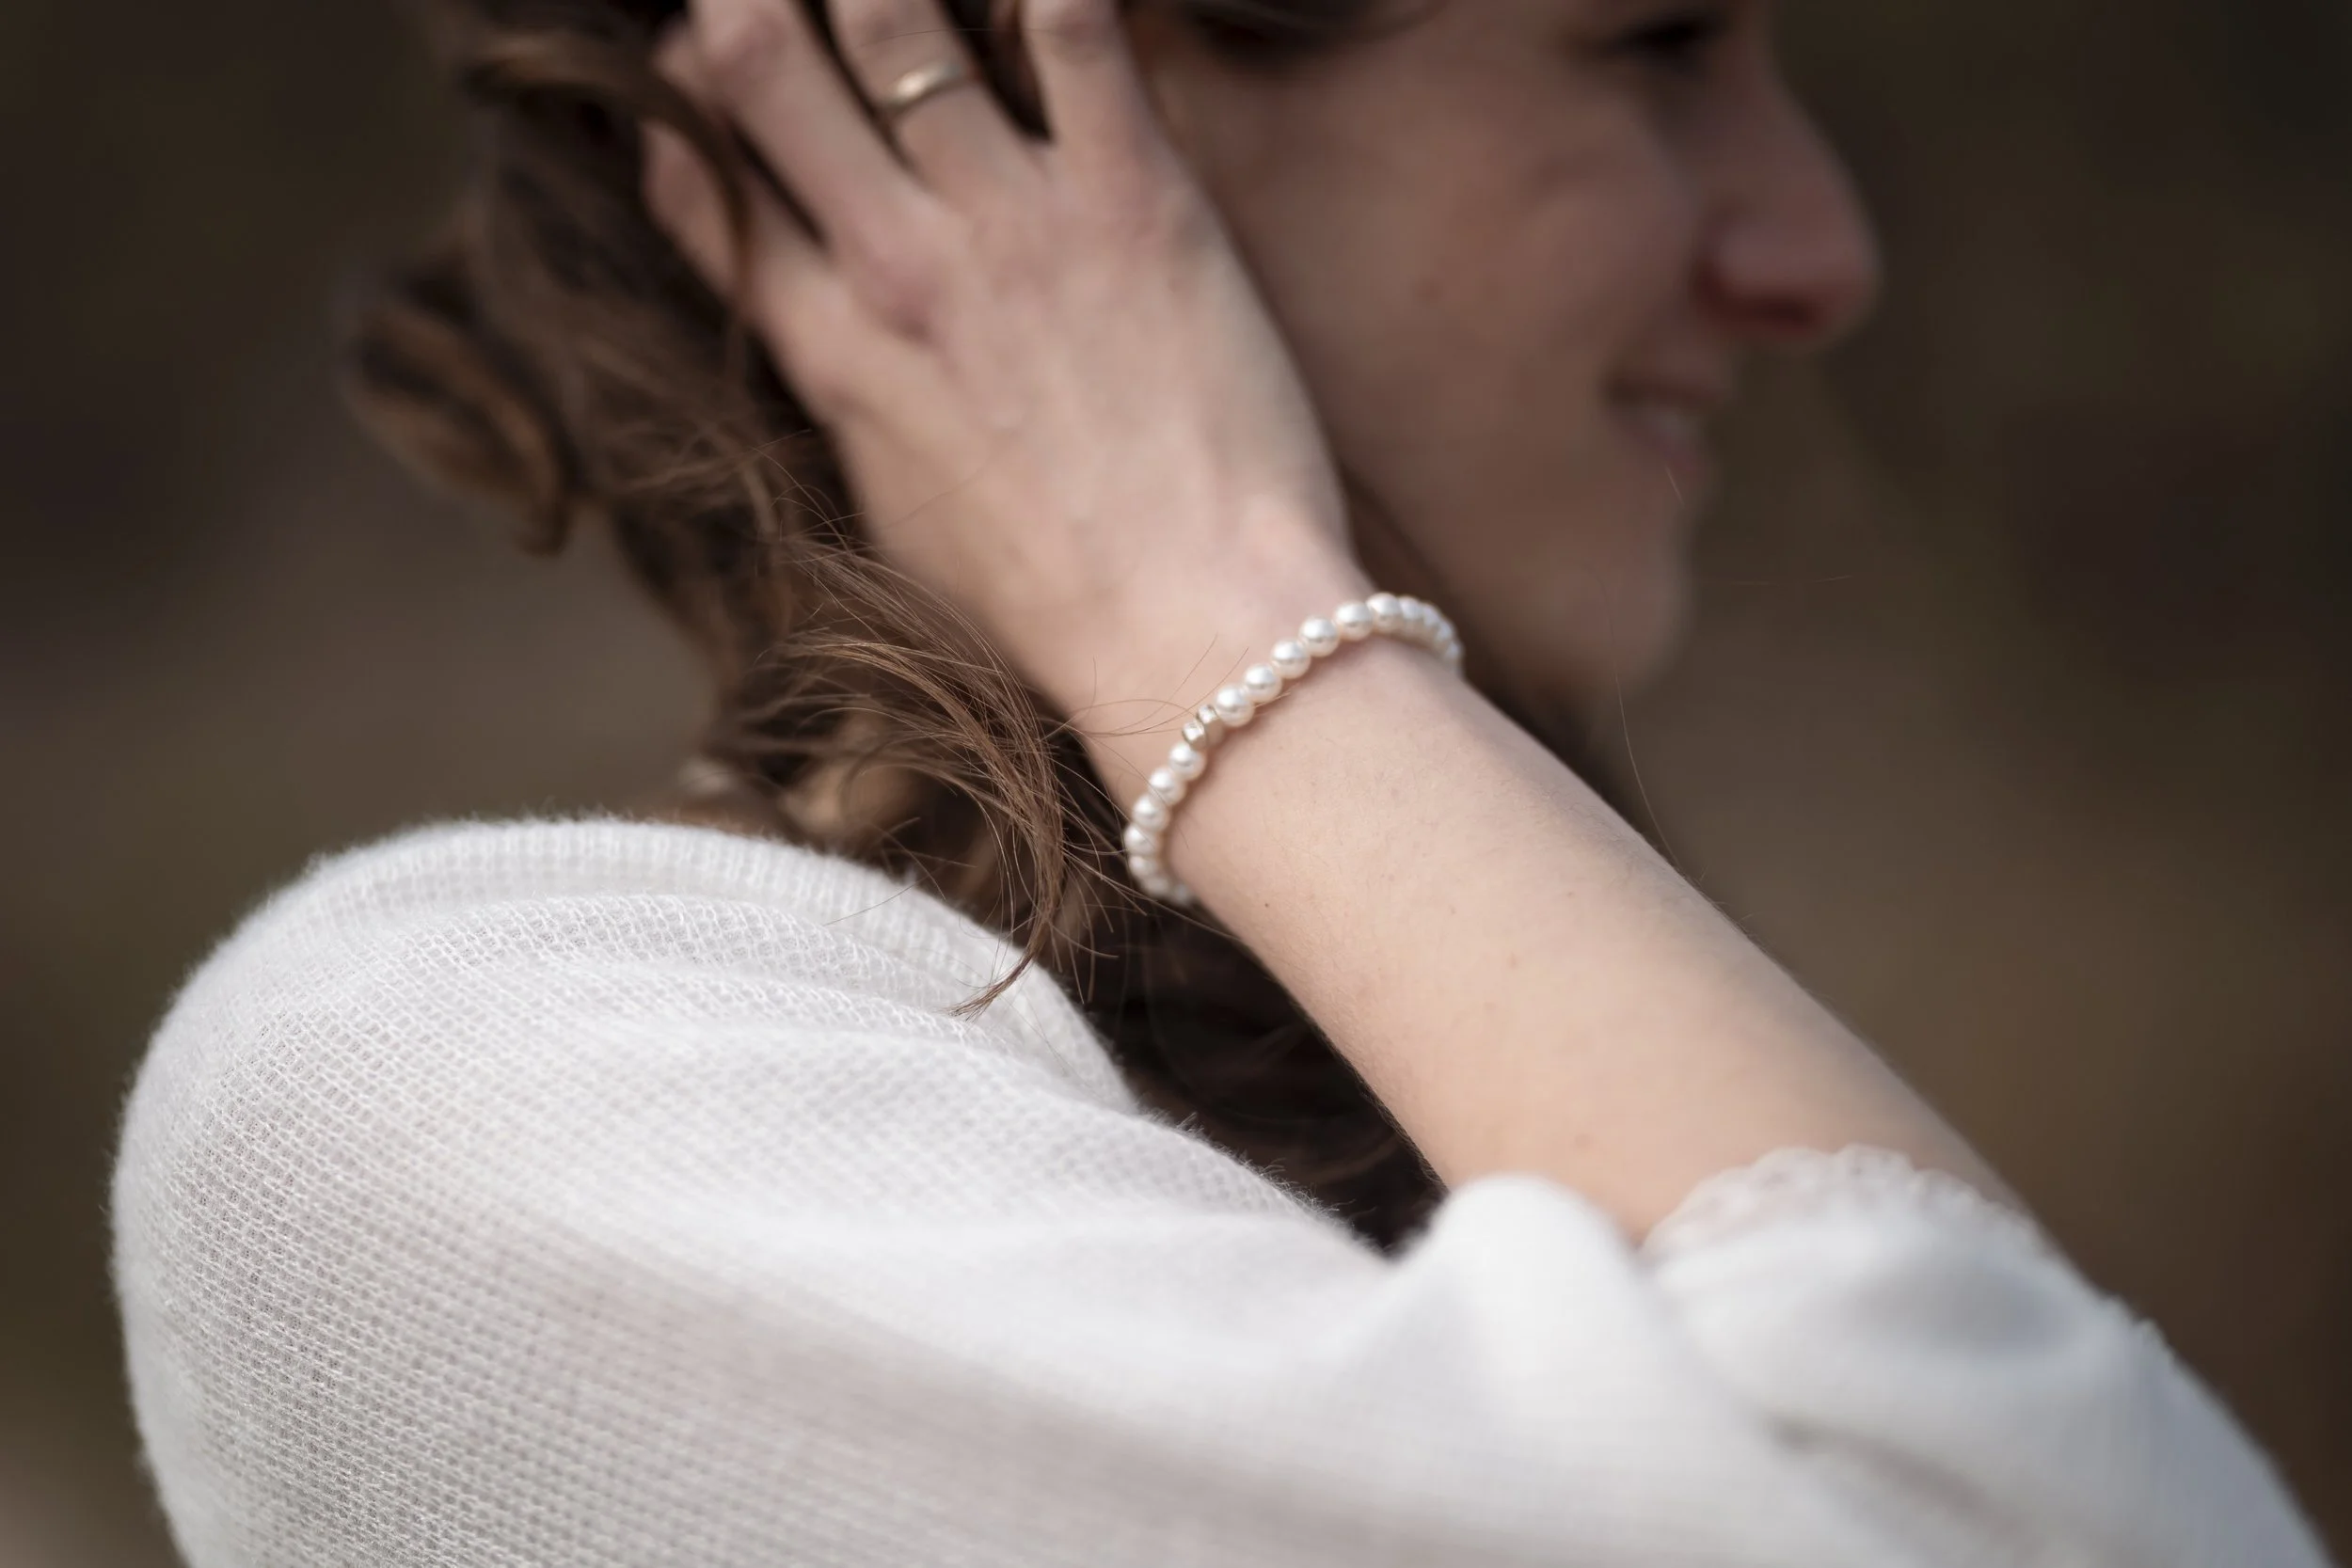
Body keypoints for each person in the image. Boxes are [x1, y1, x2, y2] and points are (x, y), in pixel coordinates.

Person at [112, 1, 2333, 1563]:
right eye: (1650, 46)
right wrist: (1209, 602)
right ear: (1034, 84)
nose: (1811, 252)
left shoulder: (1422, 1088)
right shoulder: (443, 1073)